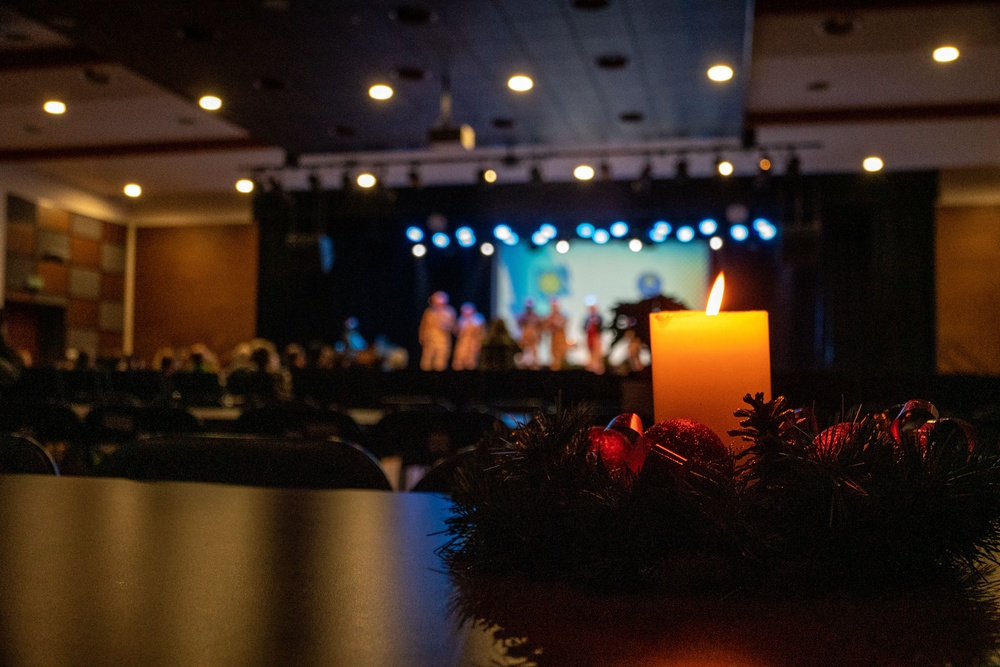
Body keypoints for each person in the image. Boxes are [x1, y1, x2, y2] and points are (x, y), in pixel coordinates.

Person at [418, 291, 456, 371]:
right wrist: (421, 335)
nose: (438, 305)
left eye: (440, 303)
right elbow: (423, 325)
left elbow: (454, 327)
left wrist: (446, 326)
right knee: (426, 363)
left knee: (440, 364)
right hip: (429, 340)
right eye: (436, 302)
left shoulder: (450, 312)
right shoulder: (429, 311)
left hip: (442, 341)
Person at [452, 302, 486, 370]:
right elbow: (455, 332)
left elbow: (482, 334)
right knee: (458, 362)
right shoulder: (461, 319)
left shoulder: (478, 320)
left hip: (473, 344)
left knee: (471, 364)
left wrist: (479, 344)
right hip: (462, 343)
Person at [516, 298, 542, 369]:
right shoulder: (521, 317)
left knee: (534, 362)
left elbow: (539, 329)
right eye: (528, 307)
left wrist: (538, 337)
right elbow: (519, 327)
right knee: (522, 361)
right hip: (524, 342)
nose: (529, 309)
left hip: (533, 342)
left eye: (530, 307)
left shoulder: (536, 317)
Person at [543, 298, 569, 371]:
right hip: (553, 339)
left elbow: (563, 324)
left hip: (560, 338)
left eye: (555, 306)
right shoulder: (549, 317)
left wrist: (555, 324)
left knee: (561, 356)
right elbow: (546, 328)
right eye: (553, 306)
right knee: (554, 357)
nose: (554, 307)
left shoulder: (562, 316)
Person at [583, 301, 605, 374]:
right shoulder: (587, 318)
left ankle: (599, 369)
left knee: (597, 353)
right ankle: (591, 369)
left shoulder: (599, 317)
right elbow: (583, 327)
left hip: (596, 337)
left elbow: (602, 327)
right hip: (589, 337)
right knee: (590, 354)